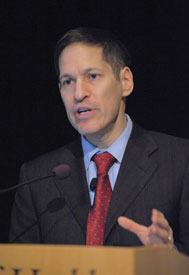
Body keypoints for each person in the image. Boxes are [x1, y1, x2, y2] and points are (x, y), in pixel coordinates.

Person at [9, 27, 189, 255]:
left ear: (125, 81)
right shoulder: (36, 179)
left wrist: (171, 255)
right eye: (67, 82)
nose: (78, 93)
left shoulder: (181, 161)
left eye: (92, 76)